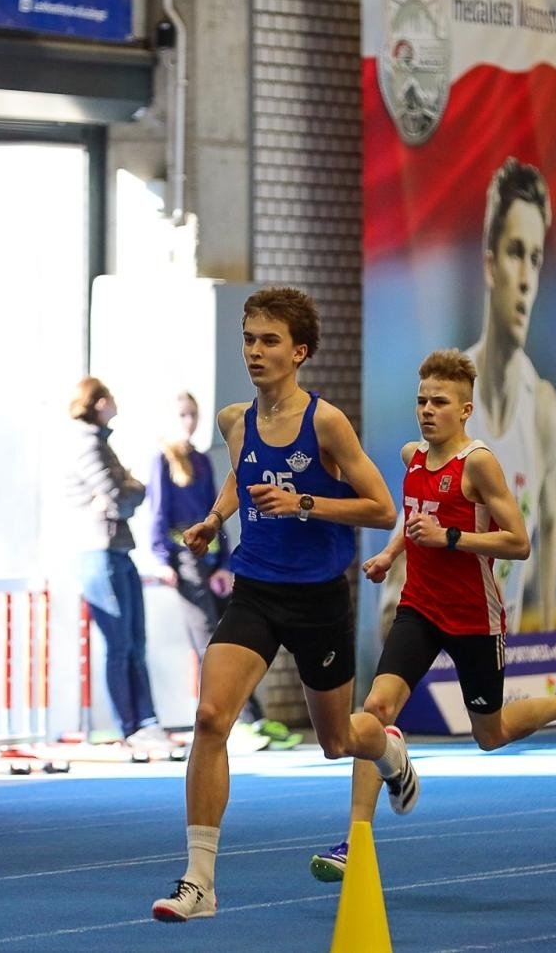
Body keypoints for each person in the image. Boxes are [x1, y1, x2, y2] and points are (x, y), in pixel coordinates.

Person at [150, 287, 406, 923]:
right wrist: (214, 518)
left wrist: (305, 505)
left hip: (318, 597)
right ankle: (200, 882)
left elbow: (382, 508)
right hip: (256, 590)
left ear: (300, 352)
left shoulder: (326, 422)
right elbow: (243, 472)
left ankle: (390, 749)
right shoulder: (234, 419)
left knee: (338, 738)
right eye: (248, 338)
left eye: (269, 341)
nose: (255, 351)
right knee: (211, 717)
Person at [309, 349, 556, 882]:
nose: (427, 411)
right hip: (420, 608)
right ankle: (356, 837)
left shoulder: (477, 463)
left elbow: (518, 543)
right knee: (377, 706)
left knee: (489, 734)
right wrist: (390, 553)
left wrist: (453, 538)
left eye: (440, 402)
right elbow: (413, 515)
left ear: (465, 410)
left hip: (475, 616)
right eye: (421, 400)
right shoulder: (411, 457)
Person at [149, 391, 300, 750]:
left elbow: (217, 512)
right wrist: (161, 558)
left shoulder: (201, 461)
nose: (189, 422)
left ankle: (255, 718)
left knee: (232, 641)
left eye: (193, 415)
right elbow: (158, 515)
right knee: (210, 645)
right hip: (183, 561)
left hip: (209, 558)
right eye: (182, 415)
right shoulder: (162, 460)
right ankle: (239, 721)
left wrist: (223, 565)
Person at [463, 157, 556, 632]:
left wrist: (546, 637)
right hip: (446, 638)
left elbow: (549, 519)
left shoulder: (542, 406)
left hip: (506, 649)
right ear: (489, 264)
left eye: (536, 259)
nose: (526, 278)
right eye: (515, 253)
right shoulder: (451, 389)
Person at [67, 377, 168, 747]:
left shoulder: (101, 445)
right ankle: (130, 725)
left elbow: (129, 492)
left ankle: (146, 721)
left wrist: (128, 489)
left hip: (118, 550)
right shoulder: (87, 446)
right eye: (109, 398)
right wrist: (127, 490)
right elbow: (121, 495)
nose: (115, 404)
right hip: (98, 553)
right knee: (120, 642)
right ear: (97, 403)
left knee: (136, 640)